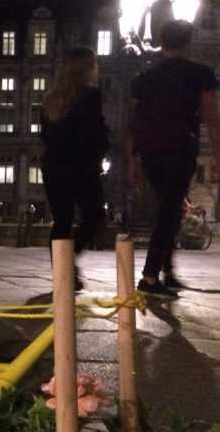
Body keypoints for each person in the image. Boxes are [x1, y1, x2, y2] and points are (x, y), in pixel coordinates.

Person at [128, 19, 220, 297]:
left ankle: (167, 272)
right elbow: (212, 118)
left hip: (149, 150)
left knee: (168, 207)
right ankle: (149, 276)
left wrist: (133, 160)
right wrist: (217, 155)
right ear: (188, 42)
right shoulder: (200, 73)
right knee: (170, 210)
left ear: (162, 41)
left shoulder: (144, 77)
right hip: (180, 147)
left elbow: (134, 122)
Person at [40, 47, 110, 291]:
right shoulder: (90, 95)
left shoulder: (50, 98)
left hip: (54, 166)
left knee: (61, 221)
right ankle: (68, 263)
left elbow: (46, 136)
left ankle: (63, 272)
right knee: (95, 218)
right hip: (81, 166)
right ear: (88, 68)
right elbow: (95, 132)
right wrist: (103, 151)